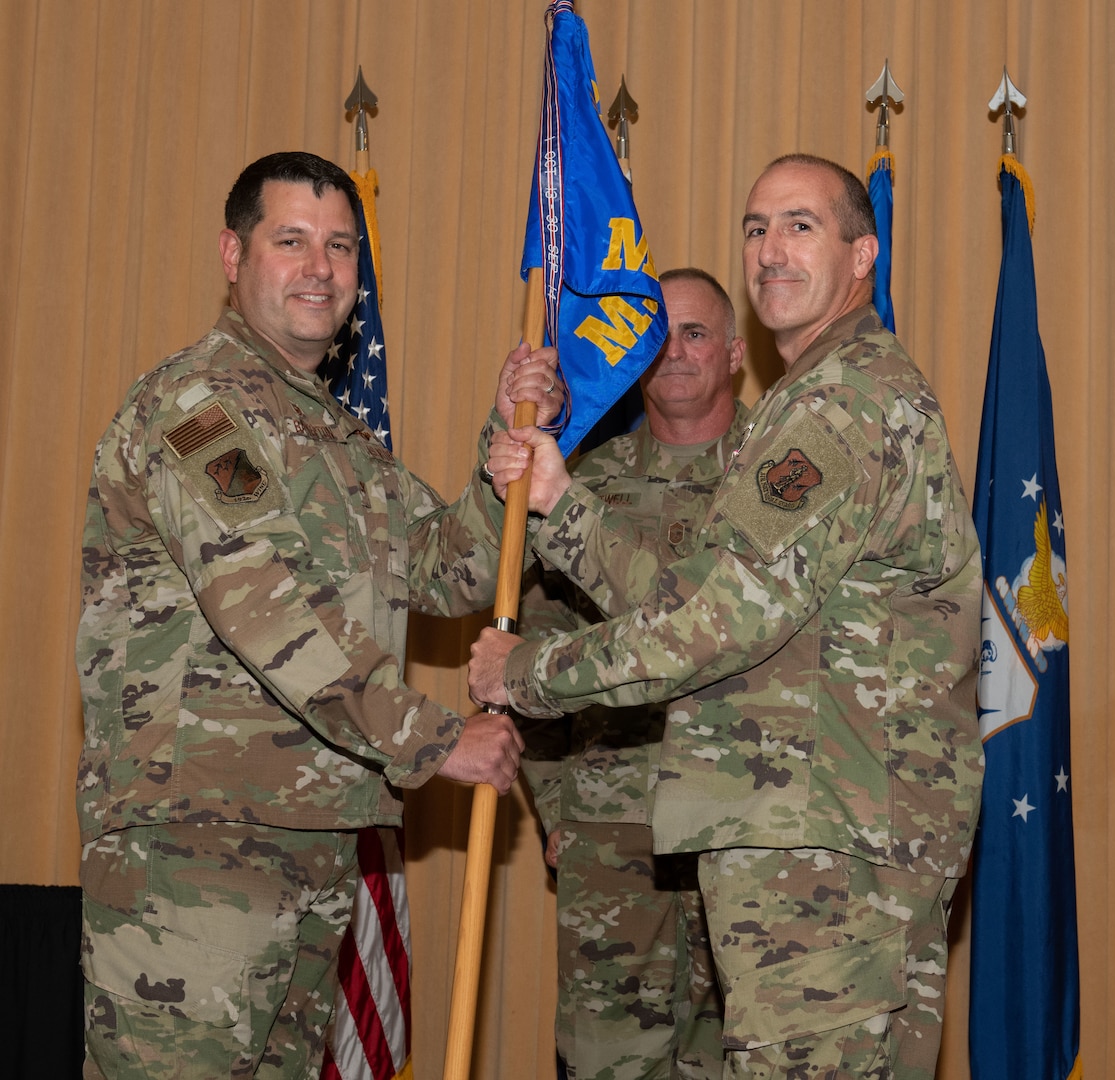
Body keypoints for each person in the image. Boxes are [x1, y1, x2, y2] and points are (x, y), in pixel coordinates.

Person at [473, 154, 983, 1079]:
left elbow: (708, 625)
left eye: (800, 226)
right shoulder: (829, 392)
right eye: (756, 228)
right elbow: (710, 598)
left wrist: (524, 674)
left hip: (821, 849)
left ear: (862, 254)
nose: (771, 251)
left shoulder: (837, 404)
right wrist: (562, 499)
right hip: (833, 834)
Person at [76, 150, 554, 1078]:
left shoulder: (336, 436)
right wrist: (432, 739)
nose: (322, 269)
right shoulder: (200, 406)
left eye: (340, 247)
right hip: (198, 843)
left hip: (312, 840)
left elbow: (442, 566)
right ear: (232, 254)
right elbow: (265, 609)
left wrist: (505, 458)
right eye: (291, 241)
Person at [517, 267, 744, 1079]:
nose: (676, 352)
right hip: (615, 835)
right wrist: (557, 809)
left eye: (697, 333)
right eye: (661, 334)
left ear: (737, 353)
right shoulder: (578, 487)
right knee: (610, 1061)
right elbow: (529, 659)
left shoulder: (780, 481)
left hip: (749, 830)